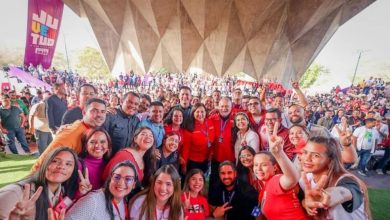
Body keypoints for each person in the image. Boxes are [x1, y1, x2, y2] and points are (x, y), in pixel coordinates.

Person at [300, 136, 371, 219]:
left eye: (316, 155)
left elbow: (343, 192)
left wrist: (328, 196)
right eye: (305, 152)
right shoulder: (305, 179)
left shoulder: (345, 180)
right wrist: (304, 202)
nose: (307, 158)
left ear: (330, 161)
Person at [0, 147, 79, 220]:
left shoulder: (62, 191)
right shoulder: (15, 193)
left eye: (68, 164)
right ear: (44, 164)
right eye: (55, 161)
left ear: (73, 171)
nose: (62, 166)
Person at [32, 98, 107, 172]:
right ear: (84, 112)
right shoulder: (71, 134)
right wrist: (32, 181)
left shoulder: (88, 129)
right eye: (94, 111)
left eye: (103, 112)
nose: (99, 115)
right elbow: (42, 163)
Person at [65, 161, 138, 220]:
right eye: (117, 177)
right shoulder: (92, 201)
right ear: (110, 179)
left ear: (134, 185)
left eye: (128, 179)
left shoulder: (122, 200)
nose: (121, 183)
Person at [182, 103, 215, 174]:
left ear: (206, 112)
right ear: (193, 113)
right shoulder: (190, 127)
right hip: (193, 161)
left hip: (206, 160)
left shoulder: (210, 122)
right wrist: (184, 165)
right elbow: (186, 148)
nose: (200, 114)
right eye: (197, 112)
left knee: (202, 181)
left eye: (202, 111)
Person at [78, 127, 112, 192]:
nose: (97, 145)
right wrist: (81, 192)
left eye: (102, 141)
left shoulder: (109, 164)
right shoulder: (78, 165)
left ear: (108, 145)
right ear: (86, 146)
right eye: (92, 142)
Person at [29, 90, 53, 155]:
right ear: (43, 97)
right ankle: (42, 162)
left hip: (50, 130)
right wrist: (31, 127)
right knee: (42, 148)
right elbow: (31, 115)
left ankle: (48, 160)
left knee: (50, 147)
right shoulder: (38, 105)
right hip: (40, 130)